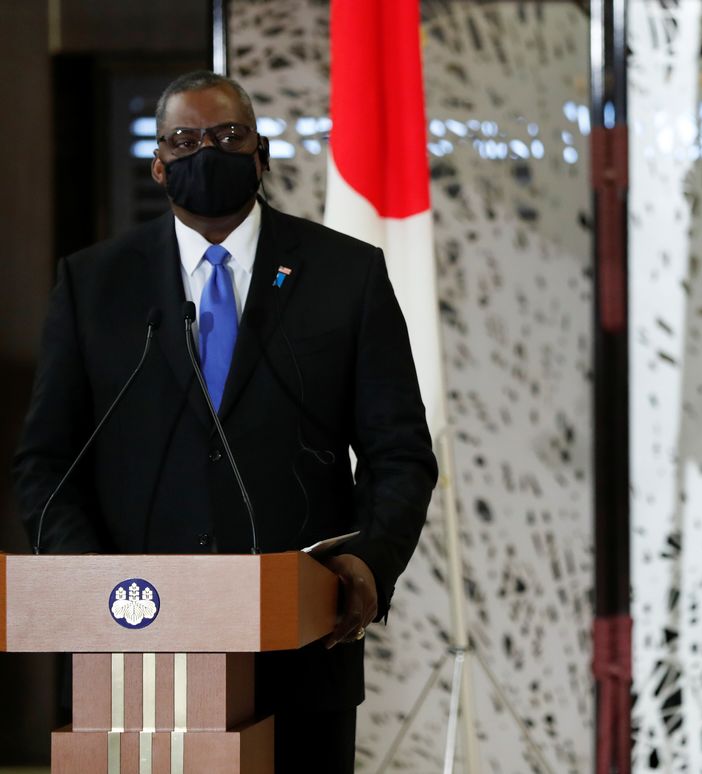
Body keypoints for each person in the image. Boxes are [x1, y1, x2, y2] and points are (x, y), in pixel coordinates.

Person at [11, 71, 437, 771]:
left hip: (301, 653)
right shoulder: (94, 285)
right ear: (158, 164)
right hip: (134, 644)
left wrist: (368, 558)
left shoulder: (344, 273)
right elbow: (45, 465)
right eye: (184, 140)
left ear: (261, 151)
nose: (206, 151)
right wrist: (87, 581)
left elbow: (401, 453)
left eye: (228, 136)